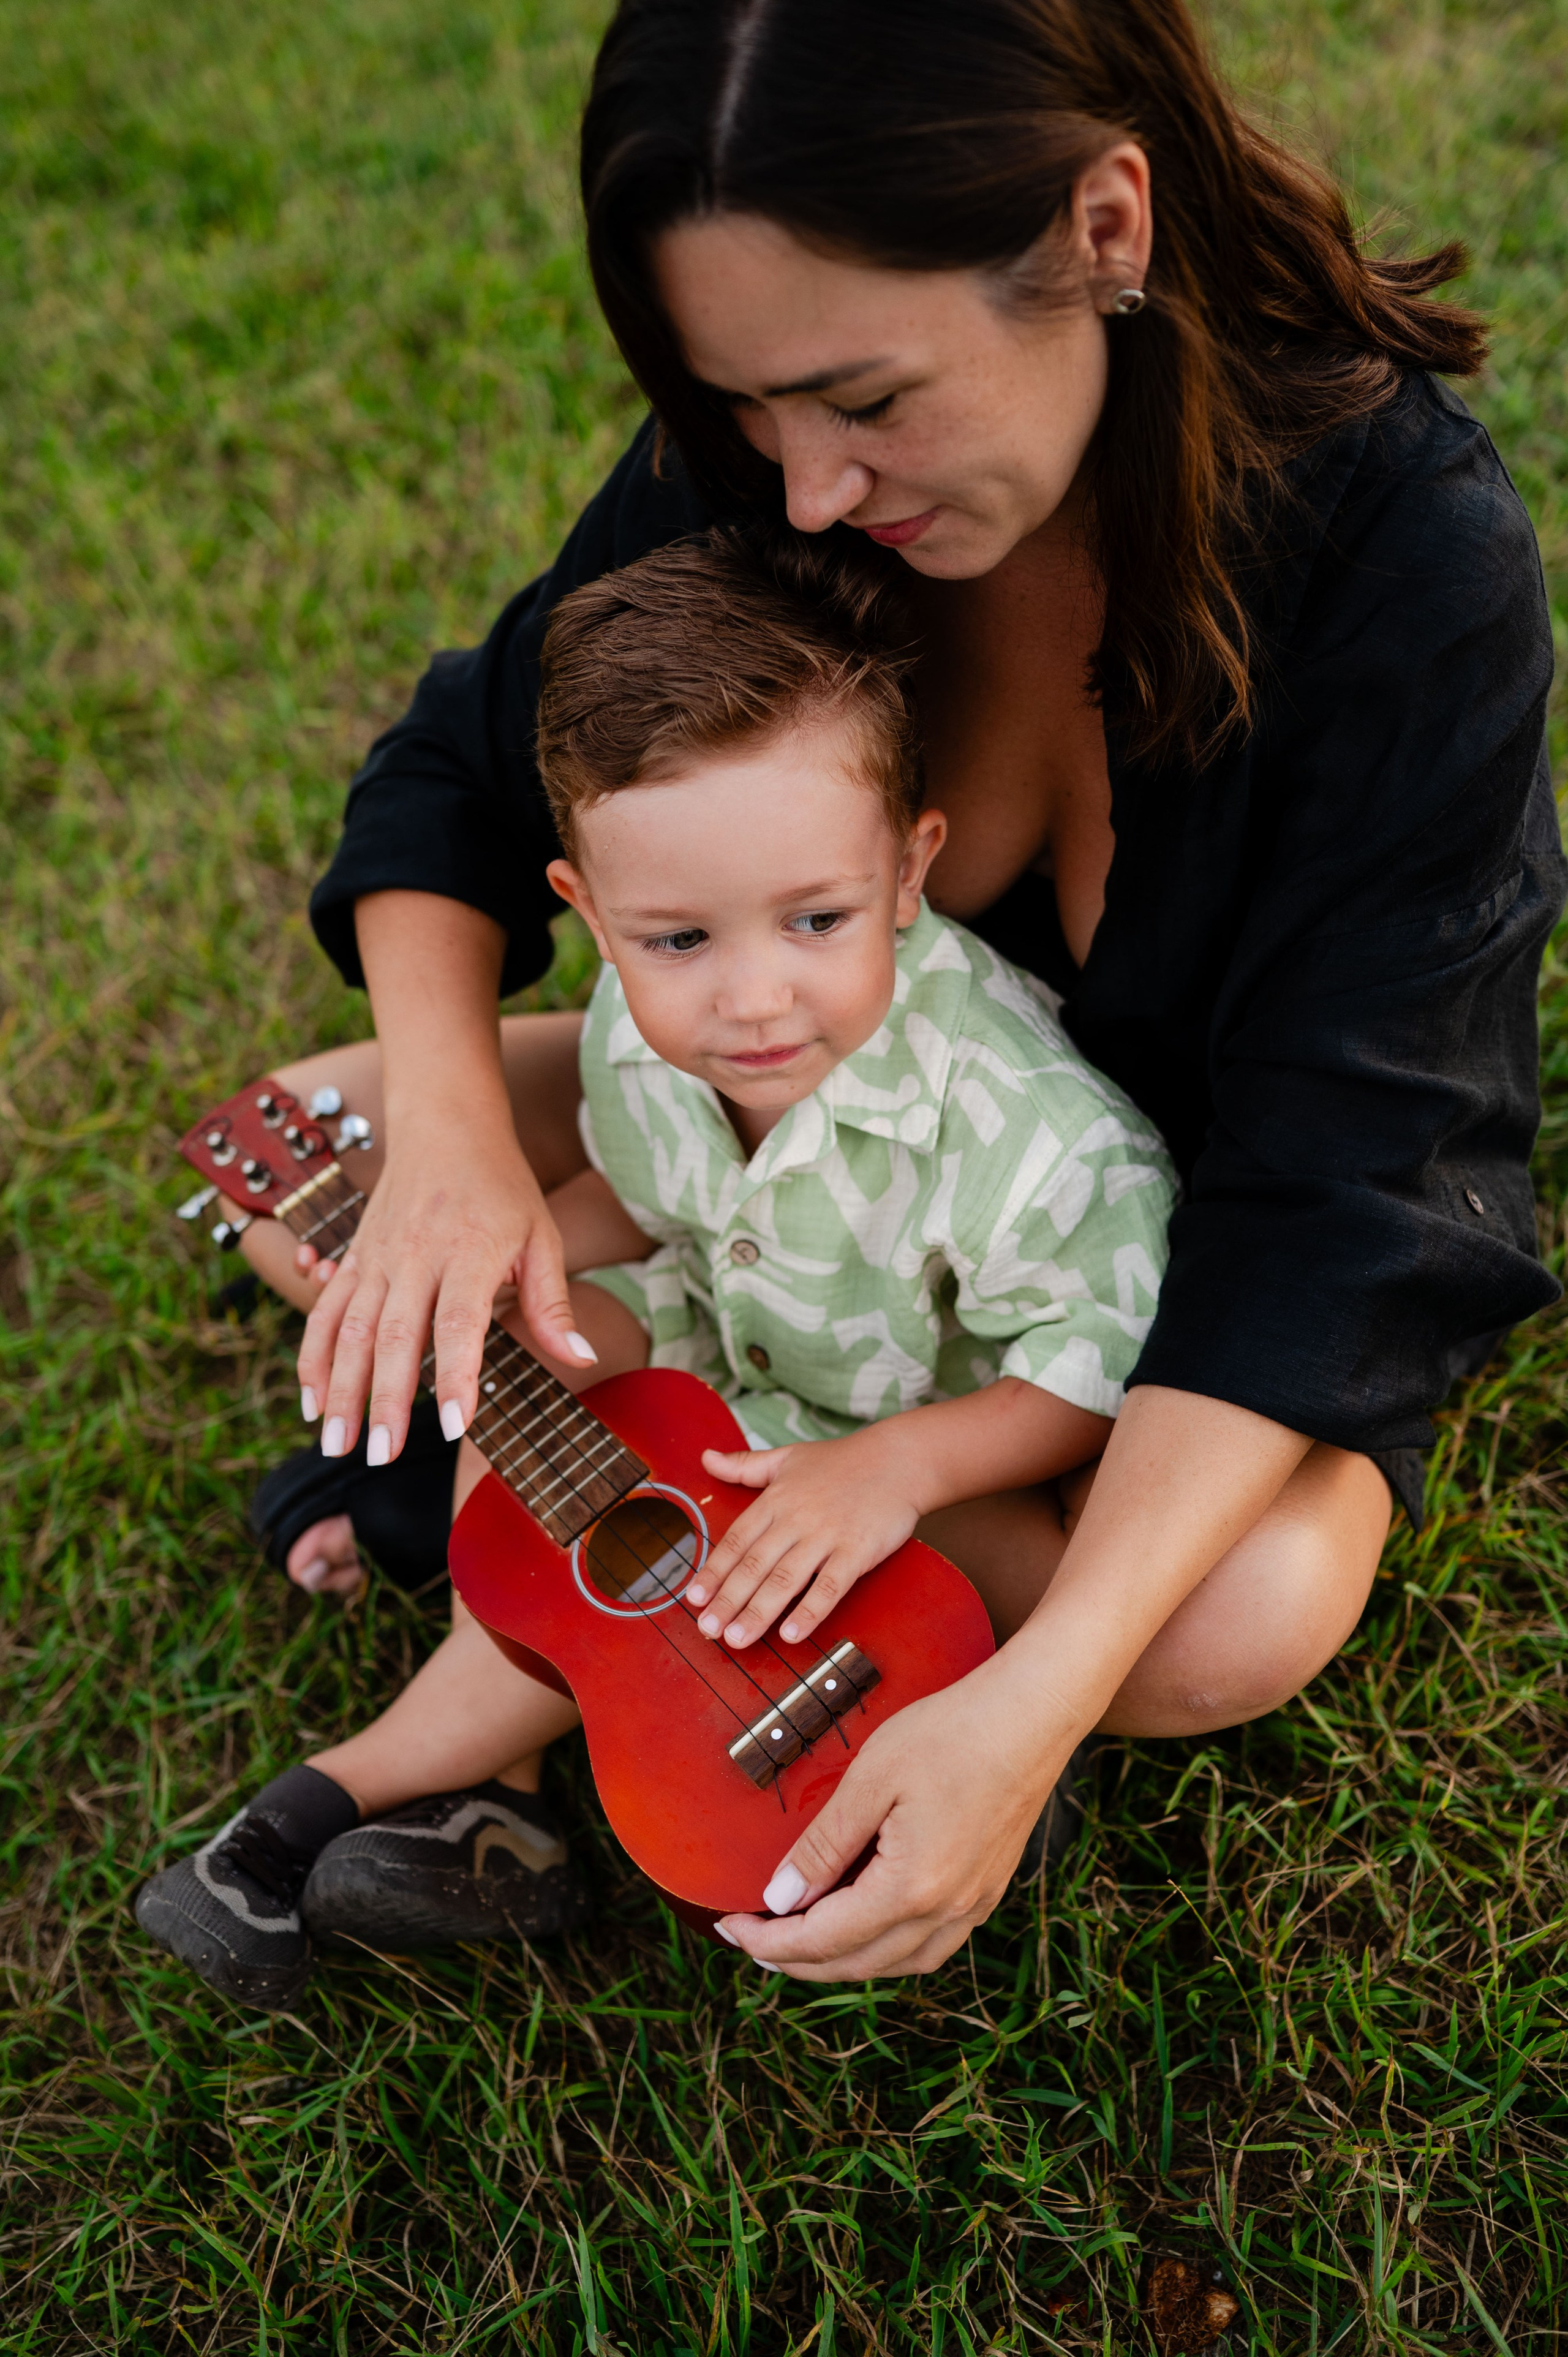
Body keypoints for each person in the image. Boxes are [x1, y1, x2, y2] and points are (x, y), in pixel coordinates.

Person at [164, 0, 1562, 1986]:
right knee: (327, 1146)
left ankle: (649, 1553)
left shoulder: (1404, 567)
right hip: (789, 1129)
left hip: (1113, 1272)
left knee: (1235, 1612)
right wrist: (465, 1160)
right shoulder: (780, 483)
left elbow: (1356, 1194)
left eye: (865, 401)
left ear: (1102, 225)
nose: (807, 494)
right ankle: (597, 1522)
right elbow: (457, 776)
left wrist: (1039, 1696)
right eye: (749, 412)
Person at [136, 530, 1175, 2006]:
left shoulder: (1022, 1129)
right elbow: (646, 1195)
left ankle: (361, 1772)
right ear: (583, 902)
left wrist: (893, 1470)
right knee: (541, 1364)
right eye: (676, 936)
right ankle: (471, 1782)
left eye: (814, 919)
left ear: (906, 868)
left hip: (930, 1446)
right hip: (727, 1364)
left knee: (1025, 1565)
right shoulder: (643, 1032)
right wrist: (515, 1259)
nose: (750, 998)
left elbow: (1098, 1368)